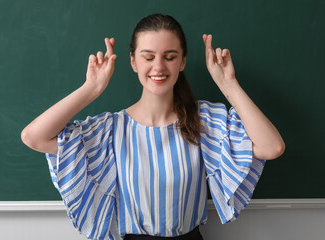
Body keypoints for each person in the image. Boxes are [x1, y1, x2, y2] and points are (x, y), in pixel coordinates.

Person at [21, 14, 285, 240]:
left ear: (182, 62)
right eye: (148, 57)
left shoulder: (204, 120)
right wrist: (92, 89)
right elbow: (34, 136)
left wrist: (228, 84)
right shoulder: (111, 130)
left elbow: (272, 147)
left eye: (170, 57)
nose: (158, 66)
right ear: (134, 61)